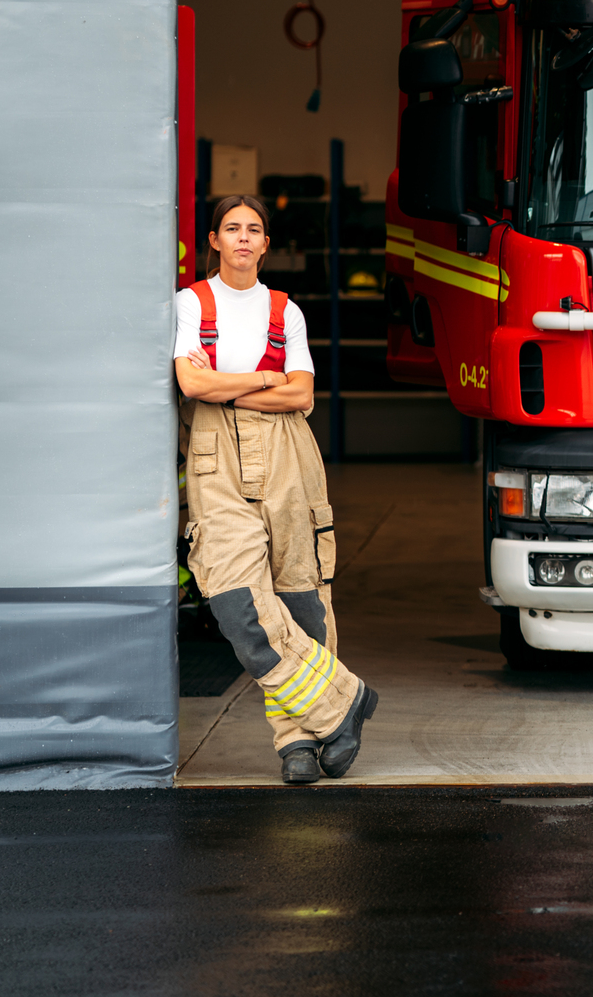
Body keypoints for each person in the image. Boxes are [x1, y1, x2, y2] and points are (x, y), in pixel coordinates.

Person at [174, 195, 377, 784]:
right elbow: (190, 383)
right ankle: (343, 703)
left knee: (301, 592)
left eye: (253, 230)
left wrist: (227, 385)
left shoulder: (286, 310)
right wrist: (266, 376)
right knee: (237, 597)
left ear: (266, 244)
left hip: (288, 450)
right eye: (231, 228)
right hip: (216, 456)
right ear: (213, 240)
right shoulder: (192, 302)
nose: (242, 238)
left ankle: (298, 739)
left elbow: (301, 396)